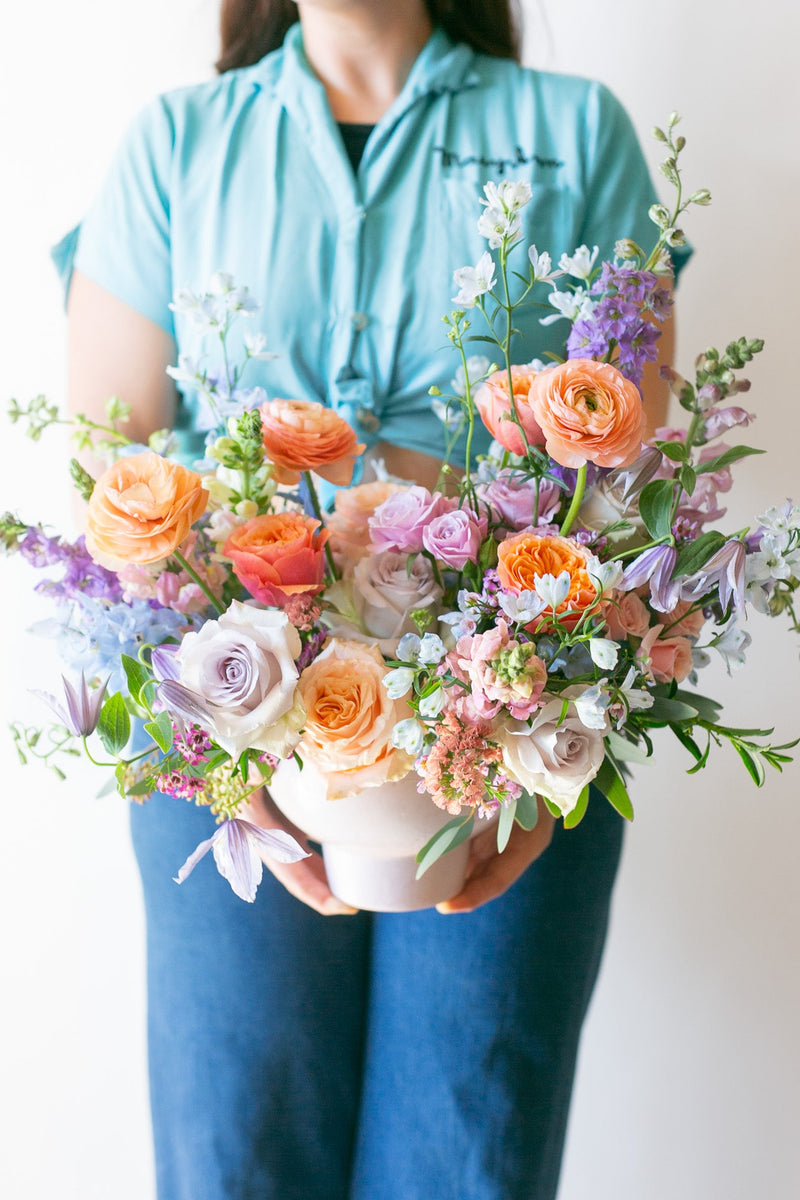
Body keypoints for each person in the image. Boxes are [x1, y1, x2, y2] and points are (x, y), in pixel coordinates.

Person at [56, 2, 688, 1197]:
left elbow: (629, 473)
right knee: (235, 1154)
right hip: (223, 730)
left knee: (469, 1155)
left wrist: (550, 753)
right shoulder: (175, 144)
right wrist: (223, 757)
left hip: (505, 732)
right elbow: (108, 474)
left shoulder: (575, 131)